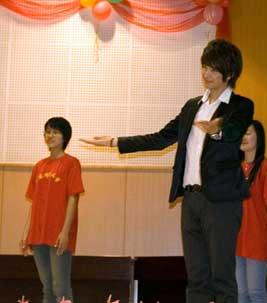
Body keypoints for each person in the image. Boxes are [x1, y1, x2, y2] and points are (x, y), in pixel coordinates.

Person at [80, 39, 254, 303]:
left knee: (222, 277)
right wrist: (116, 142)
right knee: (196, 277)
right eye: (204, 67)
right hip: (191, 199)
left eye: (213, 69)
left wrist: (217, 128)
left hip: (222, 202)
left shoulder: (240, 106)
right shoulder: (191, 107)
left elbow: (234, 130)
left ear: (228, 73)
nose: (206, 74)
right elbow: (161, 137)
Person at [20, 117, 85, 303]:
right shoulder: (39, 166)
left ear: (65, 137)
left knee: (61, 287)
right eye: (47, 131)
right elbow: (33, 202)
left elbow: (74, 198)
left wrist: (65, 233)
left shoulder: (71, 163)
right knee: (47, 288)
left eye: (55, 132)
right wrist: (26, 233)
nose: (50, 135)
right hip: (38, 234)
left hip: (59, 234)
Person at [235, 120, 267, 303]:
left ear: (259, 137)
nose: (243, 137)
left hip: (257, 235)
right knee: (240, 294)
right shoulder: (234, 168)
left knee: (255, 291)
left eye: (248, 133)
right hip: (235, 236)